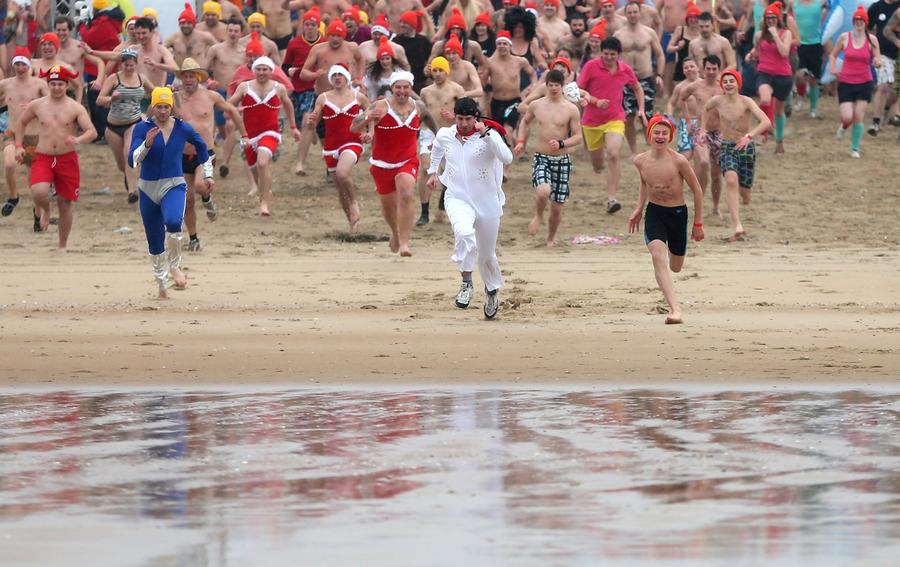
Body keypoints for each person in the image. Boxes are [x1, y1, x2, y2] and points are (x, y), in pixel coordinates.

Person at [427, 97, 512, 319]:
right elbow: (436, 149)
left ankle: (491, 290)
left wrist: (487, 136)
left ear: (476, 117)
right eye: (460, 118)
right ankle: (466, 283)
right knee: (463, 232)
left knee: (486, 254)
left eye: (468, 119)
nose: (464, 123)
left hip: (487, 202)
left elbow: (507, 157)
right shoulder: (446, 134)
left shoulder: (489, 135)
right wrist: (432, 172)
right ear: (455, 117)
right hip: (456, 197)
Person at [129, 87, 213, 298]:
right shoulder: (142, 128)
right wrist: (147, 144)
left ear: (171, 108)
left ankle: (175, 266)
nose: (163, 111)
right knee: (154, 239)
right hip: (147, 187)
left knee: (174, 221)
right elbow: (133, 160)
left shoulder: (182, 128)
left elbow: (202, 147)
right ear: (153, 107)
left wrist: (208, 173)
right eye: (159, 107)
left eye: (167, 107)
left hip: (174, 183)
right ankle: (161, 284)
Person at [350, 71, 438, 257]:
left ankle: (405, 243)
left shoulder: (418, 106)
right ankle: (395, 234)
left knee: (406, 193)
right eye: (398, 87)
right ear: (392, 88)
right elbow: (353, 127)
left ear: (410, 88)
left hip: (407, 160)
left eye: (406, 87)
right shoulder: (380, 106)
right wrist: (367, 116)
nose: (402, 91)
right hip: (382, 164)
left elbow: (431, 123)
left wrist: (440, 139)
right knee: (389, 206)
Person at [627, 114, 704, 324]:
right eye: (656, 132)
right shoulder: (640, 160)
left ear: (670, 136)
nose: (660, 136)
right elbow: (645, 184)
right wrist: (638, 209)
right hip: (655, 213)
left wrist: (698, 223)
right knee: (657, 256)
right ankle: (675, 309)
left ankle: (673, 260)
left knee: (676, 266)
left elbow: (697, 190)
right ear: (649, 134)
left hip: (677, 214)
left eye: (664, 133)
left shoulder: (679, 161)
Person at [15, 65, 97, 250]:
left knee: (65, 203)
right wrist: (19, 146)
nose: (57, 87)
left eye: (60, 84)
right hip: (43, 156)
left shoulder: (75, 107)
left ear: (66, 85)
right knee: (39, 191)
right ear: (48, 84)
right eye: (53, 84)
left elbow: (92, 131)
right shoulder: (37, 105)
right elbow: (21, 123)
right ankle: (45, 210)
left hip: (66, 158)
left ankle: (62, 245)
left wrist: (78, 138)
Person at [177, 58, 249, 251]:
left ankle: (207, 199)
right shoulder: (175, 98)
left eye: (192, 76)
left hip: (205, 153)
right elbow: (157, 115)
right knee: (187, 200)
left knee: (201, 185)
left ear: (199, 77)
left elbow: (232, 110)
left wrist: (244, 134)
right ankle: (193, 239)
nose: (188, 80)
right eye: (185, 76)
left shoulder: (211, 96)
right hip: (182, 155)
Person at [699, 69, 771, 241]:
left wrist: (749, 136)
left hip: (746, 147)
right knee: (731, 180)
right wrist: (702, 129)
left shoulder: (746, 101)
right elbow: (705, 108)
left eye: (732, 81)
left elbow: (766, 121)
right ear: (722, 85)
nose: (729, 84)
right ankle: (737, 225)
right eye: (725, 81)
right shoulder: (717, 101)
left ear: (738, 84)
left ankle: (745, 196)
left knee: (745, 192)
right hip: (727, 146)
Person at [514, 69, 583, 246]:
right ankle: (538, 215)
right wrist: (521, 141)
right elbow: (525, 122)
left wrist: (562, 143)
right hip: (541, 157)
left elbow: (578, 137)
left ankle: (550, 239)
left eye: (557, 85)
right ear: (546, 86)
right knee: (543, 191)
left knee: (557, 208)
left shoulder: (571, 109)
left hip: (562, 160)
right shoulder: (537, 105)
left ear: (562, 87)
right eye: (550, 85)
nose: (553, 88)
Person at [577, 37, 645, 214]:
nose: (608, 57)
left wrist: (642, 110)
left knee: (614, 154)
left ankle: (612, 199)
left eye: (612, 55)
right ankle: (599, 167)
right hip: (591, 121)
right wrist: (594, 101)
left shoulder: (625, 69)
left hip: (615, 118)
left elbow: (637, 87)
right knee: (598, 165)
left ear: (618, 55)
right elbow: (577, 90)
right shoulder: (591, 66)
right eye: (605, 54)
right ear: (601, 52)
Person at [228, 56, 300, 216]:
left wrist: (294, 127)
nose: (262, 72)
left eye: (265, 69)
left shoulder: (278, 87)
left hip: (270, 132)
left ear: (271, 71)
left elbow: (288, 105)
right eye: (259, 69)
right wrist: (235, 111)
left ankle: (264, 204)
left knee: (262, 163)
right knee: (255, 170)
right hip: (248, 135)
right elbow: (229, 106)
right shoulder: (244, 87)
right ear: (254, 71)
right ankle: (266, 191)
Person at [305, 64, 370, 234]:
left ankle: (354, 203)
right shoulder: (323, 98)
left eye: (340, 75)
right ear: (330, 79)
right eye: (334, 76)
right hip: (330, 147)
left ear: (347, 78)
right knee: (340, 188)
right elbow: (314, 121)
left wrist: (369, 133)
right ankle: (352, 226)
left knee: (342, 173)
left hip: (352, 142)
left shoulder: (358, 97)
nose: (337, 78)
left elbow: (371, 115)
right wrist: (311, 122)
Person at [96, 49, 154, 204]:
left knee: (129, 154)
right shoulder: (113, 79)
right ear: (121, 64)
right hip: (113, 126)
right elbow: (99, 100)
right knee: (122, 165)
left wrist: (168, 90)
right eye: (126, 65)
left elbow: (156, 92)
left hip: (134, 122)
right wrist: (110, 98)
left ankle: (132, 191)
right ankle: (129, 179)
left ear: (136, 63)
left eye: (132, 65)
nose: (129, 68)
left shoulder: (142, 78)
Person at [417, 56, 465, 226]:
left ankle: (444, 197)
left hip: (450, 133)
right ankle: (424, 212)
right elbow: (421, 114)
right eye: (435, 70)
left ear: (447, 71)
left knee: (451, 172)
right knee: (425, 169)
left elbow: (468, 111)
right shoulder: (425, 92)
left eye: (441, 70)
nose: (437, 74)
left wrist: (454, 116)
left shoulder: (456, 90)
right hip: (429, 133)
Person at [1, 49, 48, 220]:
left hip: (33, 135)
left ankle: (38, 214)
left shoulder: (39, 84)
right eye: (17, 64)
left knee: (34, 181)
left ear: (29, 65)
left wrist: (34, 106)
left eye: (23, 64)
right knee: (9, 164)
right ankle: (14, 197)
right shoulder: (6, 84)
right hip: (11, 132)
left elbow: (52, 105)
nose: (20, 68)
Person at [615, 1, 666, 156]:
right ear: (625, 14)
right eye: (629, 12)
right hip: (626, 81)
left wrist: (659, 75)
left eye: (635, 12)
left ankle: (652, 149)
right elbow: (612, 58)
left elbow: (660, 54)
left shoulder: (649, 32)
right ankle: (634, 151)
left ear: (640, 13)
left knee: (648, 116)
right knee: (628, 117)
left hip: (646, 78)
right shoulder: (619, 35)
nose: (632, 15)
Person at [830, 7, 881, 158]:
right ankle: (844, 127)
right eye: (856, 20)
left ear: (866, 22)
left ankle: (855, 148)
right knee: (847, 117)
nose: (859, 22)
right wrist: (833, 68)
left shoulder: (872, 40)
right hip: (846, 82)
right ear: (853, 21)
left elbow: (877, 58)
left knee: (858, 115)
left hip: (864, 82)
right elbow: (833, 55)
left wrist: (877, 62)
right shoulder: (844, 37)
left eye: (861, 20)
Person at [677, 54, 725, 214]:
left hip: (720, 133)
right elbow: (681, 98)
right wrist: (688, 121)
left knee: (717, 174)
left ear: (719, 69)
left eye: (714, 69)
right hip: (700, 131)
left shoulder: (724, 86)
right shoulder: (695, 86)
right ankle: (699, 199)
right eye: (708, 69)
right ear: (703, 69)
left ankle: (716, 207)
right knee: (703, 163)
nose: (711, 72)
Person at [206, 18, 251, 178]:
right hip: (219, 93)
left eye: (236, 31)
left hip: (236, 94)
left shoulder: (245, 52)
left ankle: (225, 163)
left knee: (231, 125)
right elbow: (204, 71)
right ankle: (213, 158)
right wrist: (210, 81)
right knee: (219, 128)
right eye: (230, 30)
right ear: (226, 32)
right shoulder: (216, 49)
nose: (232, 34)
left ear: (241, 33)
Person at [746, 2, 793, 153]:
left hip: (783, 75)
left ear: (778, 18)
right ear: (765, 19)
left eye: (773, 17)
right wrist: (750, 54)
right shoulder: (760, 34)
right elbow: (756, 50)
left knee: (779, 112)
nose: (771, 20)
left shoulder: (786, 33)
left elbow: (785, 52)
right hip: (764, 72)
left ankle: (779, 141)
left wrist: (775, 35)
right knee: (765, 99)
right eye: (768, 18)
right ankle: (763, 131)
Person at [284, 8, 324, 177]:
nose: (309, 28)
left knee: (308, 121)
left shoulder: (325, 43)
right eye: (306, 24)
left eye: (312, 24)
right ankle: (313, 134)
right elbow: (285, 66)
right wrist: (289, 71)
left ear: (318, 26)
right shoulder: (295, 44)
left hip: (315, 88)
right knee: (306, 122)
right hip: (298, 90)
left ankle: (300, 163)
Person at [480, 30, 537, 142]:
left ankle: (511, 157)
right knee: (497, 132)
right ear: (496, 46)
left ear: (510, 46)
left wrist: (533, 87)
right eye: (499, 44)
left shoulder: (520, 61)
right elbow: (482, 83)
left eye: (504, 44)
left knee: (508, 129)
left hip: (514, 101)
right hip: (496, 102)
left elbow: (533, 74)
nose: (502, 46)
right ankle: (509, 153)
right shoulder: (490, 63)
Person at [866, 0, 900, 135]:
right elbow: (867, 30)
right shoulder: (876, 7)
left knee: (895, 93)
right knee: (884, 85)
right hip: (882, 54)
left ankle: (886, 108)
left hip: (898, 57)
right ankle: (875, 123)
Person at [792, 0, 826, 118]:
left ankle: (813, 108)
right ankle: (800, 98)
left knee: (813, 79)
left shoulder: (819, 3)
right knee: (800, 75)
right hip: (800, 44)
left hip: (816, 44)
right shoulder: (794, 3)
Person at [164, 3, 218, 67]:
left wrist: (211, 65)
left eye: (189, 23)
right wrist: (168, 55)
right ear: (179, 24)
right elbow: (160, 50)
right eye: (182, 23)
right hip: (180, 74)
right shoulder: (173, 38)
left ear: (194, 24)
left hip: (199, 75)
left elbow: (220, 51)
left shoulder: (205, 37)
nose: (185, 26)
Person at [666, 2, 701, 84]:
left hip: (697, 69)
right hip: (682, 69)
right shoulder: (680, 30)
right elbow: (669, 49)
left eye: (695, 17)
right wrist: (678, 47)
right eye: (690, 18)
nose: (693, 20)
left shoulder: (702, 32)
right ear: (687, 19)